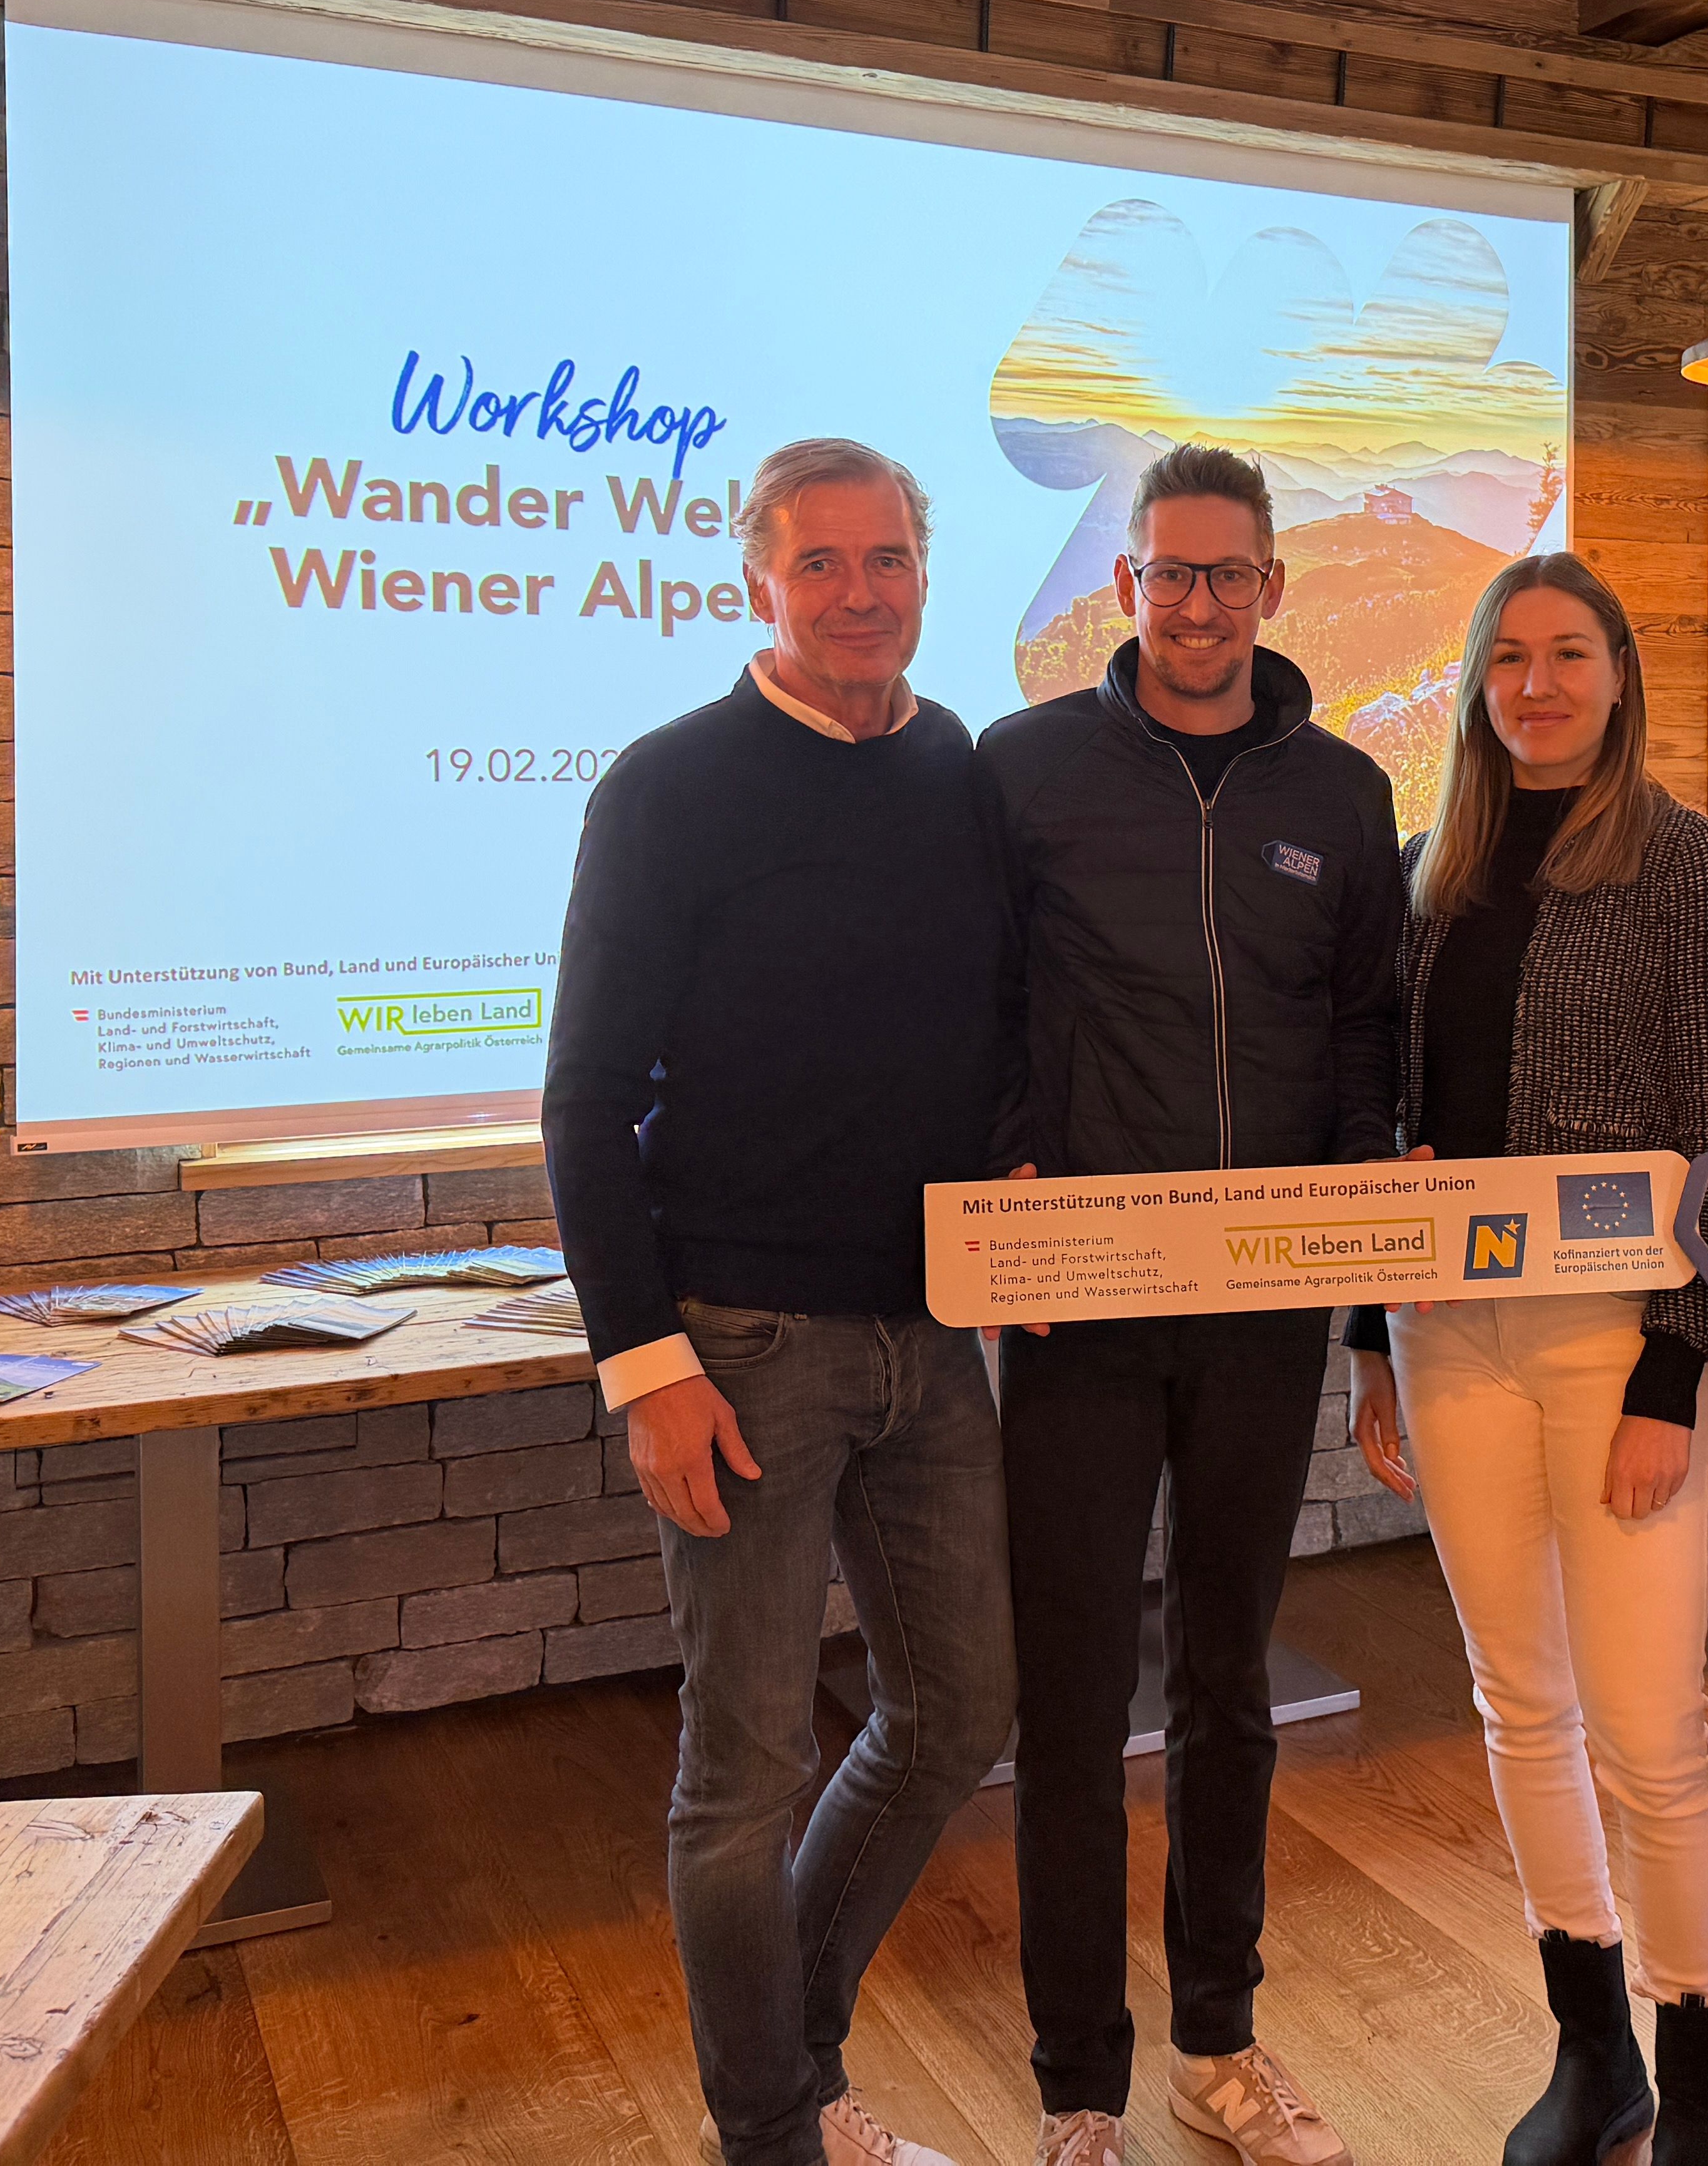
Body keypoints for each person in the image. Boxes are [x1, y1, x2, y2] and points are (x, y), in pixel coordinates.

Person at [545, 438, 1021, 2166]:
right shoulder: (667, 787)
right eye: (822, 563)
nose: (860, 593)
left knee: (964, 1709)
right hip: (738, 1346)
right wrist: (644, 1365)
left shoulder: (957, 763)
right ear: (757, 577)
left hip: (932, 1338)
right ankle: (774, 2134)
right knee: (739, 1772)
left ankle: (793, 2064)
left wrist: (1020, 1172)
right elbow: (585, 1095)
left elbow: (962, 1032)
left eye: (888, 559)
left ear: (922, 571)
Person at [981, 441, 1406, 2166]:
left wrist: (1366, 1265)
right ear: (1127, 585)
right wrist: (1009, 1152)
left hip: (1264, 1314)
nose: (1201, 602)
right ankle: (1080, 2082)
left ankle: (1219, 2045)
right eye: (1172, 572)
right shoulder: (1022, 772)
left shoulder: (1346, 794)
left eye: (1231, 573)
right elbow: (980, 998)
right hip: (1076, 1305)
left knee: (1228, 1681)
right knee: (1074, 1695)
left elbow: (1369, 1033)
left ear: (1275, 588)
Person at [1345, 552, 1708, 2166]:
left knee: (1651, 1727)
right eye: (1509, 657)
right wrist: (1367, 1344)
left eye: (1568, 654)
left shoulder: (1687, 869)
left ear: (1617, 674)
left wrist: (1675, 1371)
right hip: (1447, 1339)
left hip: (1622, 1345)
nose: (1538, 683)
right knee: (1518, 1704)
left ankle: (1702, 2093)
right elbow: (1384, 1131)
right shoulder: (1424, 873)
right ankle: (1595, 2057)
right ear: (1474, 682)